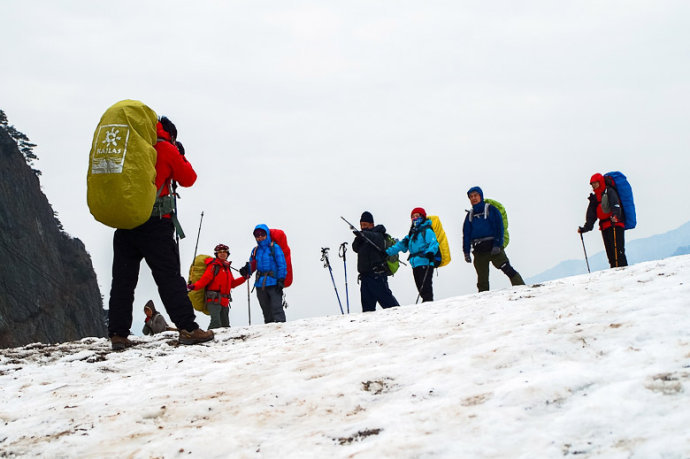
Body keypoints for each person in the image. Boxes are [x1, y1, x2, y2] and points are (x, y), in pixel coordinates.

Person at [108, 116, 214, 350]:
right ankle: (188, 328)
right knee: (169, 279)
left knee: (123, 281)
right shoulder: (164, 147)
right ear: (171, 134)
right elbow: (189, 178)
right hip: (155, 224)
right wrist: (179, 153)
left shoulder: (130, 145)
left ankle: (118, 334)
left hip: (125, 222)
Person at [463, 186, 525, 292]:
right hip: (479, 251)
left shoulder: (491, 210)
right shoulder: (470, 215)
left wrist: (497, 245)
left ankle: (524, 289)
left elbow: (499, 228)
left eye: (475, 195)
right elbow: (466, 234)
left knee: (507, 269)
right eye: (471, 197)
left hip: (493, 247)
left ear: (481, 196)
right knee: (482, 279)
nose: (473, 198)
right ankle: (484, 303)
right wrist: (466, 252)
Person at [187, 243, 246, 329]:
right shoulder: (213, 266)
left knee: (225, 325)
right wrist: (193, 287)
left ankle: (224, 341)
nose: (222, 253)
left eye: (224, 252)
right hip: (213, 300)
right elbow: (204, 280)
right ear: (216, 254)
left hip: (225, 301)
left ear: (227, 254)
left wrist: (244, 278)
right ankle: (208, 339)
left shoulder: (226, 268)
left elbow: (232, 284)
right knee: (216, 323)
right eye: (220, 252)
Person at [386, 207, 439, 302]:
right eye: (413, 217)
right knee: (421, 289)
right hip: (415, 264)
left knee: (426, 289)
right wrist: (387, 252)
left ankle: (428, 306)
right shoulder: (411, 234)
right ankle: (427, 305)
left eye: (417, 216)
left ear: (423, 217)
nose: (415, 218)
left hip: (425, 262)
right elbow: (400, 245)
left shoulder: (427, 231)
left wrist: (431, 252)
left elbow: (434, 243)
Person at [351, 211, 400, 312]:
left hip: (377, 275)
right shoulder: (363, 238)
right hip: (365, 277)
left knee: (389, 304)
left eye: (365, 224)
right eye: (361, 225)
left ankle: (402, 317)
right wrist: (359, 237)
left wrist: (363, 234)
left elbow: (372, 237)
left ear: (371, 224)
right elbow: (355, 248)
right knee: (367, 310)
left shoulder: (378, 235)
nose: (363, 227)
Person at [577, 173, 628, 268]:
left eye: (594, 183)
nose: (593, 185)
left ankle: (624, 273)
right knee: (610, 254)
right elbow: (591, 216)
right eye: (591, 184)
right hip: (604, 227)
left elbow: (616, 204)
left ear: (600, 182)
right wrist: (585, 228)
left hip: (615, 225)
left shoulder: (610, 191)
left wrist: (615, 216)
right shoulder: (595, 198)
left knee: (618, 252)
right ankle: (615, 273)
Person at [239, 224, 287, 323]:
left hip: (274, 283)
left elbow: (282, 264)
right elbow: (253, 265)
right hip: (260, 285)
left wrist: (281, 280)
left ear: (267, 234)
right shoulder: (255, 250)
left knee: (276, 307)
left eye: (262, 234)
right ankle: (269, 331)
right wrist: (246, 269)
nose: (260, 237)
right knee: (266, 310)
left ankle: (281, 329)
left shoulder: (275, 247)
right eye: (257, 235)